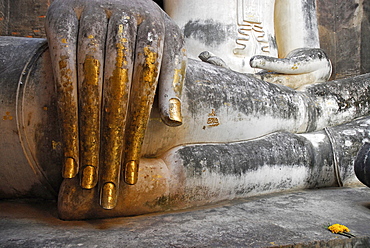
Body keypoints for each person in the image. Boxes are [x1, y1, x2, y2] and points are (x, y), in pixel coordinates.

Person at [0, 0, 369, 220]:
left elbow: (307, 52)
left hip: (271, 85)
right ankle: (314, 156)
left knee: (309, 108)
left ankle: (309, 156)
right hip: (184, 81)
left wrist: (314, 62)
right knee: (150, 98)